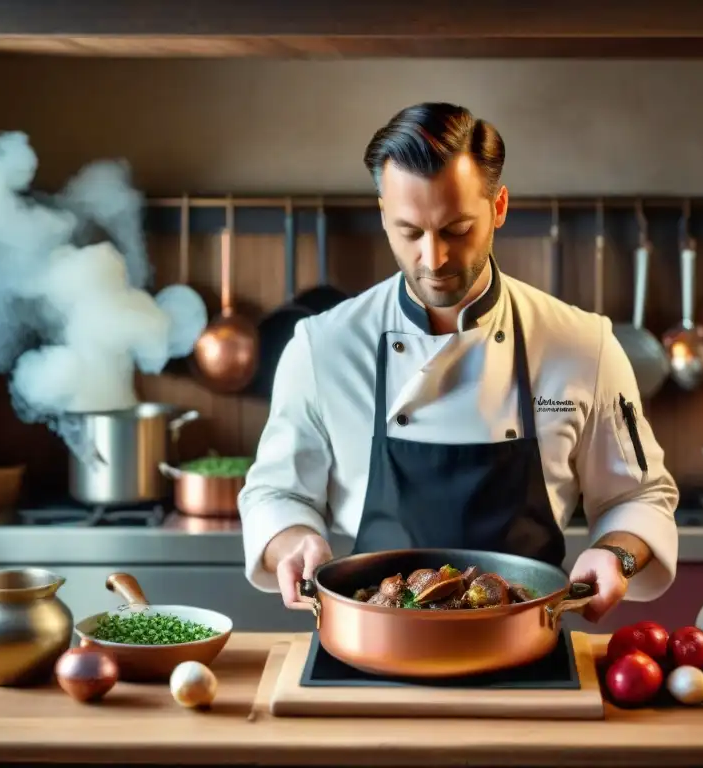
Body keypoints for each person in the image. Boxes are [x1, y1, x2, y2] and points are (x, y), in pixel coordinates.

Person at [239, 102, 679, 622]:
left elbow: (641, 494)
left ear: (499, 208)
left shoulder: (584, 345)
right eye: (409, 232)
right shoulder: (322, 347)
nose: (434, 259)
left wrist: (616, 554)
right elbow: (276, 491)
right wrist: (292, 539)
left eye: (456, 229)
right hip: (371, 642)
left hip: (527, 641)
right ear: (383, 213)